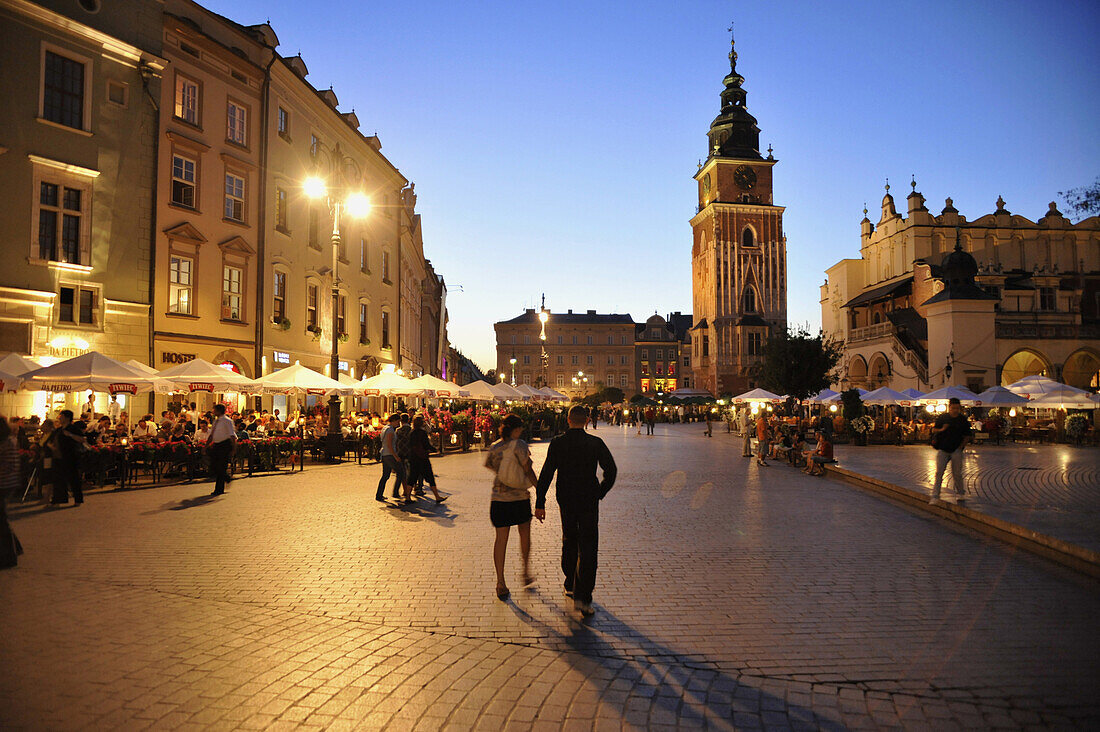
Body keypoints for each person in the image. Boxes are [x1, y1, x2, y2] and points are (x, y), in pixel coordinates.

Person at [534, 405, 616, 617]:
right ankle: (584, 597)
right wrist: (601, 491)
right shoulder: (595, 443)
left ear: (568, 420)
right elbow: (611, 470)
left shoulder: (558, 443)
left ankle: (570, 581)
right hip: (589, 498)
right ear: (587, 421)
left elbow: (546, 473)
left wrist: (540, 502)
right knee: (588, 545)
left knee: (569, 538)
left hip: (567, 498)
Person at [485, 414, 539, 600]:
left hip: (498, 499)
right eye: (520, 428)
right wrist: (540, 489)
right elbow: (528, 469)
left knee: (501, 540)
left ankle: (500, 582)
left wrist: (506, 475)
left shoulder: (494, 447)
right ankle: (525, 571)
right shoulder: (520, 445)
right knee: (524, 534)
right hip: (519, 498)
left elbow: (491, 466)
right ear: (515, 429)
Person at [930, 397, 971, 503]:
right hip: (943, 449)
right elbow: (934, 429)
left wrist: (960, 447)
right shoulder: (943, 417)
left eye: (957, 408)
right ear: (949, 407)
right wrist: (942, 429)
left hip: (956, 450)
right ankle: (935, 495)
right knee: (939, 472)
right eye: (953, 408)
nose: (955, 410)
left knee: (957, 473)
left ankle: (961, 493)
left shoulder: (962, 420)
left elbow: (967, 435)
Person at [46, 409, 87, 506]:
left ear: (67, 418)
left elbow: (82, 439)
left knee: (73, 479)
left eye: (61, 416)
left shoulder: (72, 428)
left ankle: (78, 499)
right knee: (59, 479)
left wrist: (70, 435)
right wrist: (51, 446)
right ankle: (58, 499)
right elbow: (51, 440)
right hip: (58, 457)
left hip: (70, 457)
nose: (59, 417)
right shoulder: (58, 430)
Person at [0, 416, 25, 568]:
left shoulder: (6, 443)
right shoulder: (6, 442)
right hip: (6, 483)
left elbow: (9, 466)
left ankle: (10, 555)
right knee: (2, 519)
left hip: (4, 484)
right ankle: (15, 548)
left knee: (1, 521)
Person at [407, 416, 446, 504]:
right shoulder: (422, 433)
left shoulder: (411, 433)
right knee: (430, 477)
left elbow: (410, 445)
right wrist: (435, 449)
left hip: (413, 458)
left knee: (412, 477)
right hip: (422, 458)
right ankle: (437, 496)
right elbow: (426, 445)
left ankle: (408, 497)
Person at [206, 403, 236, 496]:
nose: (213, 411)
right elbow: (212, 434)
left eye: (214, 409)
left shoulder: (227, 421)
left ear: (219, 411)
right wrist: (207, 444)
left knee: (221, 466)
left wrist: (233, 448)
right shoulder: (216, 421)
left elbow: (232, 435)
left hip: (224, 445)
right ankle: (226, 477)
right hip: (216, 445)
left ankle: (219, 489)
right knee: (214, 465)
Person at [375, 414, 405, 502]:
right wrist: (396, 456)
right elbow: (389, 444)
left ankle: (379, 495)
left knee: (385, 475)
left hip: (384, 454)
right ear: (394, 420)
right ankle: (395, 492)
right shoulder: (390, 430)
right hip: (389, 455)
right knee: (400, 472)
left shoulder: (385, 428)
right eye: (398, 421)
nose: (398, 423)